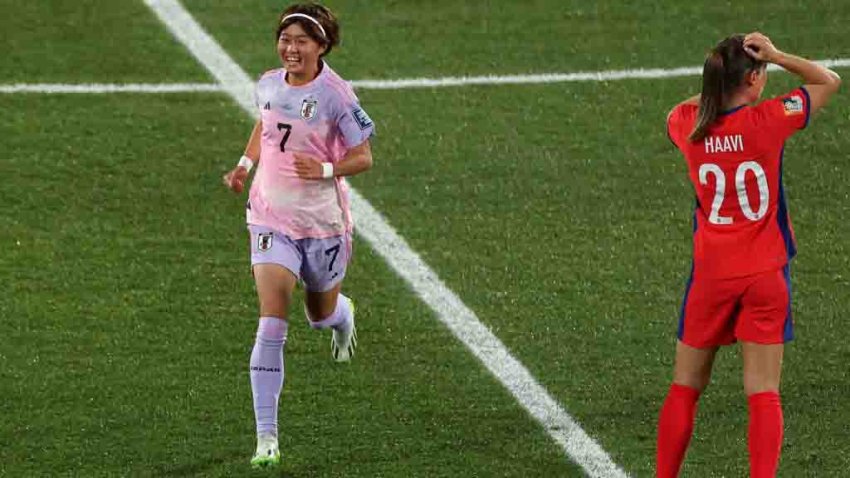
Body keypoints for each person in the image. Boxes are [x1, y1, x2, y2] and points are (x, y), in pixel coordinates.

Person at [658, 32, 840, 477]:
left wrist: (715, 88)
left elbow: (674, 114)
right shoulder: (770, 119)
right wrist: (777, 55)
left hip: (711, 277)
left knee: (685, 388)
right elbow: (828, 80)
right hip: (765, 275)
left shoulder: (688, 124)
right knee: (763, 393)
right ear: (756, 78)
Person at [222, 2, 375, 468]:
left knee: (319, 314)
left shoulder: (337, 95)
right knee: (272, 321)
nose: (290, 48)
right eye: (285, 39)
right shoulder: (268, 83)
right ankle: (266, 437)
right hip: (270, 219)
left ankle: (341, 316)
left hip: (323, 226)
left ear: (321, 46)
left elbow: (364, 156)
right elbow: (266, 126)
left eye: (300, 40)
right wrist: (245, 167)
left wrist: (326, 167)